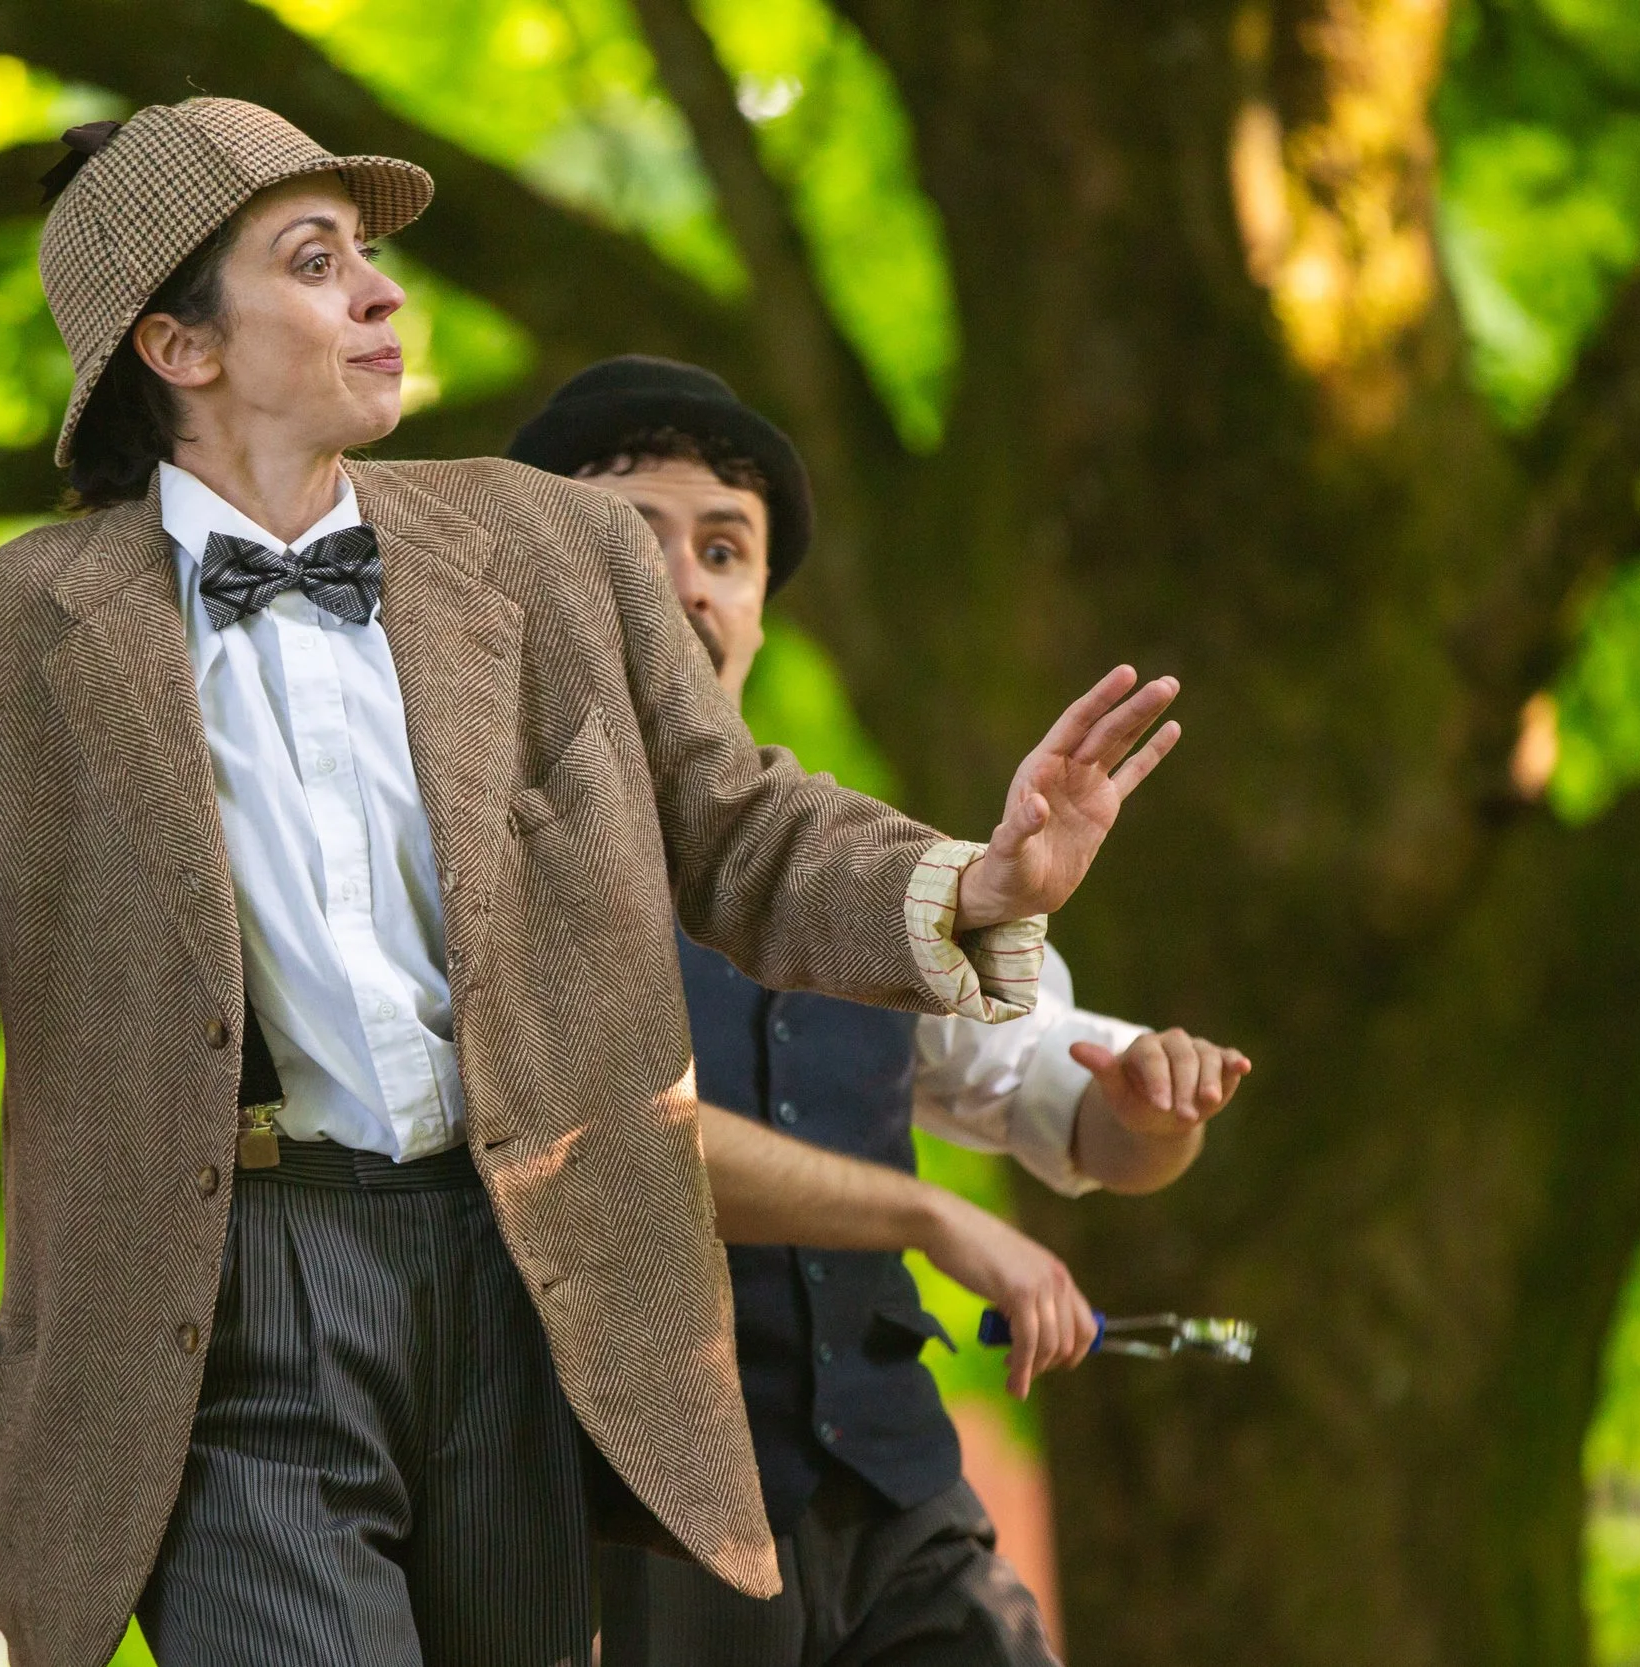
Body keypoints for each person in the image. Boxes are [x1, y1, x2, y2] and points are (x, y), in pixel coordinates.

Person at [0, 102, 1183, 1667]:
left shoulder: (554, 548)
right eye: (317, 260)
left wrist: (978, 881)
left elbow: (737, 823)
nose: (382, 292)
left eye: (367, 256)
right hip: (225, 1302)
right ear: (178, 346)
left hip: (528, 1266)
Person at [508, 357, 1250, 1667]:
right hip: (626, 1522)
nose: (687, 582)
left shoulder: (860, 873)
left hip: (892, 1506)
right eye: (631, 537)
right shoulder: (475, 859)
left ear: (758, 608)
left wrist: (1153, 1111)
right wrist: (928, 1215)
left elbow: (1074, 1119)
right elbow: (604, 1143)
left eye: (725, 551)